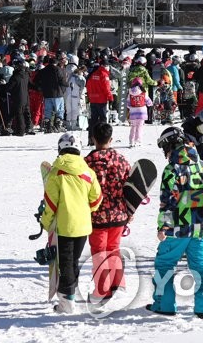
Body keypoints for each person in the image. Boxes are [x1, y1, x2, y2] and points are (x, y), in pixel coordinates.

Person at [149, 126, 203, 319]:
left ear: (170, 145)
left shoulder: (171, 169)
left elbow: (168, 201)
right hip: (201, 227)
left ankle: (164, 304)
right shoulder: (202, 165)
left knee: (164, 265)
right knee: (201, 267)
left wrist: (163, 226)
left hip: (177, 228)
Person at [40, 133, 102, 314]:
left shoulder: (56, 172)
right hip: (83, 225)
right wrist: (84, 210)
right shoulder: (88, 172)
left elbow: (51, 202)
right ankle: (71, 293)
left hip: (65, 225)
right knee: (73, 261)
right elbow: (96, 199)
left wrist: (46, 222)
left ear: (60, 148)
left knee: (65, 263)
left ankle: (67, 301)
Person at [84, 123, 130, 309]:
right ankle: (118, 282)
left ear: (93, 139)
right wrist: (130, 210)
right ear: (110, 140)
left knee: (99, 252)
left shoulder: (87, 162)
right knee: (114, 248)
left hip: (97, 216)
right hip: (119, 213)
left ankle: (102, 289)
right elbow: (131, 185)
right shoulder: (120, 159)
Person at [126, 78, 152, 147]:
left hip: (133, 112)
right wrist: (150, 104)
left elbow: (128, 104)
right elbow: (149, 102)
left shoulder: (130, 92)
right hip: (142, 112)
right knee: (139, 127)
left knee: (133, 127)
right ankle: (138, 141)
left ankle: (131, 141)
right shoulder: (143, 91)